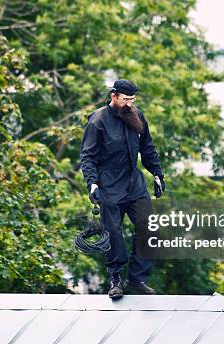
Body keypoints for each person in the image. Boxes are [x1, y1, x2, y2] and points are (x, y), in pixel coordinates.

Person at [79, 79, 166, 299]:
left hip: (134, 184)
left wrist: (157, 174)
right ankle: (116, 279)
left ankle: (137, 279)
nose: (129, 104)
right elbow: (87, 156)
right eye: (125, 99)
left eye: (132, 100)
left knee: (150, 227)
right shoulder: (98, 120)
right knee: (113, 232)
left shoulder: (137, 116)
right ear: (114, 96)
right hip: (108, 187)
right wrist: (93, 183)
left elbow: (148, 148)